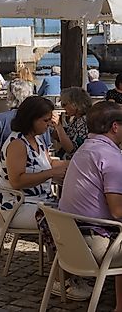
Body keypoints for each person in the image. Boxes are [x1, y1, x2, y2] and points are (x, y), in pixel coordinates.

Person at [59, 101, 122, 310]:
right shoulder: (111, 157)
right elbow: (117, 211)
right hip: (94, 244)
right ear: (115, 126)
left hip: (69, 240)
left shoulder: (85, 149)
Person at [0, 95, 67, 229]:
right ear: (31, 120)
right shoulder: (17, 143)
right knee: (66, 221)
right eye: (45, 120)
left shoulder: (37, 138)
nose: (49, 124)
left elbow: (49, 163)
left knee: (78, 212)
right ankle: (64, 250)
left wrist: (75, 164)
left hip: (39, 201)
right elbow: (17, 181)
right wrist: (50, 173)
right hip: (17, 205)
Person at [0, 79, 47, 162]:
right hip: (41, 164)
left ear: (10, 96)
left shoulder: (0, 119)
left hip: (11, 168)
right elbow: (48, 148)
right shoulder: (42, 118)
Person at [52, 87, 92, 157]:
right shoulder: (76, 119)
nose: (63, 107)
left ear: (75, 104)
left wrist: (58, 126)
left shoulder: (84, 121)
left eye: (64, 104)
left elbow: (71, 149)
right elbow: (64, 136)